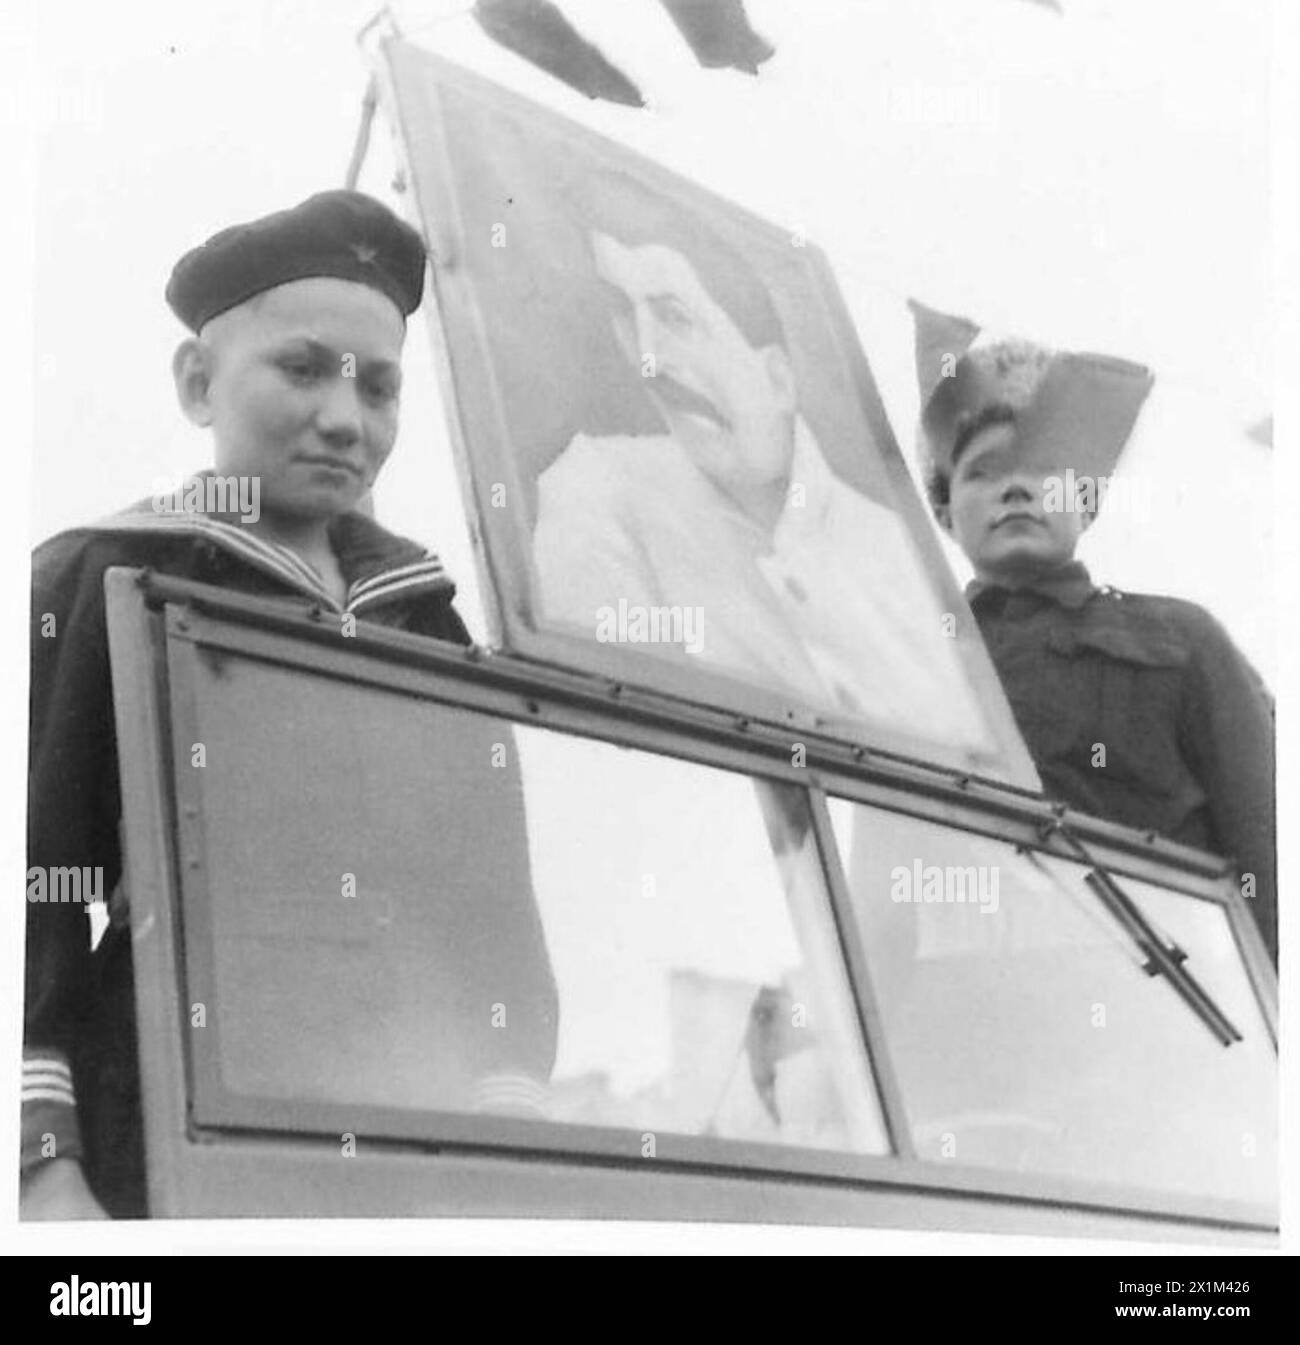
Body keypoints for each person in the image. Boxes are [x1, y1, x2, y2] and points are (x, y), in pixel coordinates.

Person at [24, 190, 558, 1219]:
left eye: (381, 387)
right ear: (196, 382)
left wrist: (506, 1155)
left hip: (409, 1143)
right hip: (161, 1140)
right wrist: (45, 1170)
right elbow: (34, 885)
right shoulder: (99, 577)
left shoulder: (428, 625)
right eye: (303, 368)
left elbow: (494, 918)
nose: (345, 420)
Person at [531, 199, 989, 753]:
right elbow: (623, 743)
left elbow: (973, 773)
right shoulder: (599, 489)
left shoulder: (896, 552)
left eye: (674, 316)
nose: (648, 358)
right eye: (627, 315)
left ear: (777, 378)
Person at [919, 332, 1277, 962]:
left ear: (1086, 501)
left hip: (1167, 1010)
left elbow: (1269, 849)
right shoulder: (919, 660)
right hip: (968, 1018)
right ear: (945, 514)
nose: (1017, 488)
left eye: (1044, 467)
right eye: (983, 471)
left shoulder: (1182, 641)